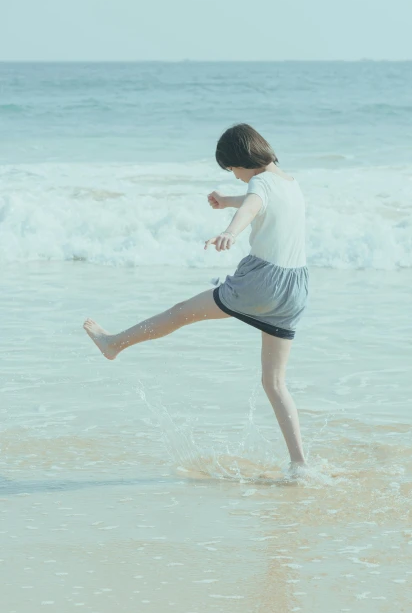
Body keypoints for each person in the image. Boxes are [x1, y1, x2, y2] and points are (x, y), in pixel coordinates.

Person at [83, 124, 309, 468]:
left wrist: (229, 232)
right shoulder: (289, 183)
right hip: (295, 289)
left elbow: (251, 207)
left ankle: (113, 344)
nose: (234, 176)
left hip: (262, 283)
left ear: (242, 160)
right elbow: (258, 202)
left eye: (231, 168)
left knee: (180, 312)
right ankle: (299, 464)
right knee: (275, 381)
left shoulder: (258, 184)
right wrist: (226, 202)